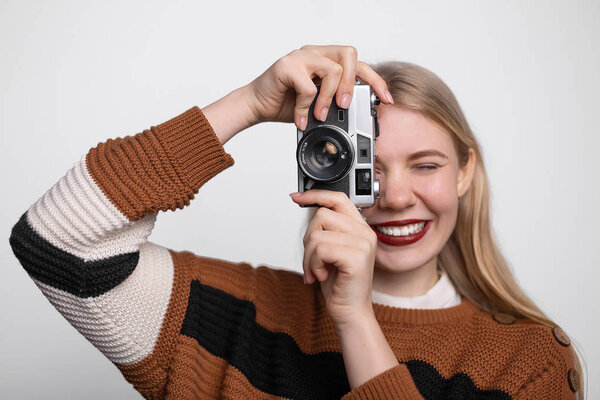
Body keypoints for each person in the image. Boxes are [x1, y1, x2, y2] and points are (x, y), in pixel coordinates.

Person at [8, 44, 584, 399]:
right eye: (366, 167)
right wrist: (250, 104)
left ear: (464, 172)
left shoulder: (530, 361)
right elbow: (57, 241)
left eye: (425, 165)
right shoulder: (236, 316)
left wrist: (355, 321)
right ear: (325, 166)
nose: (396, 195)